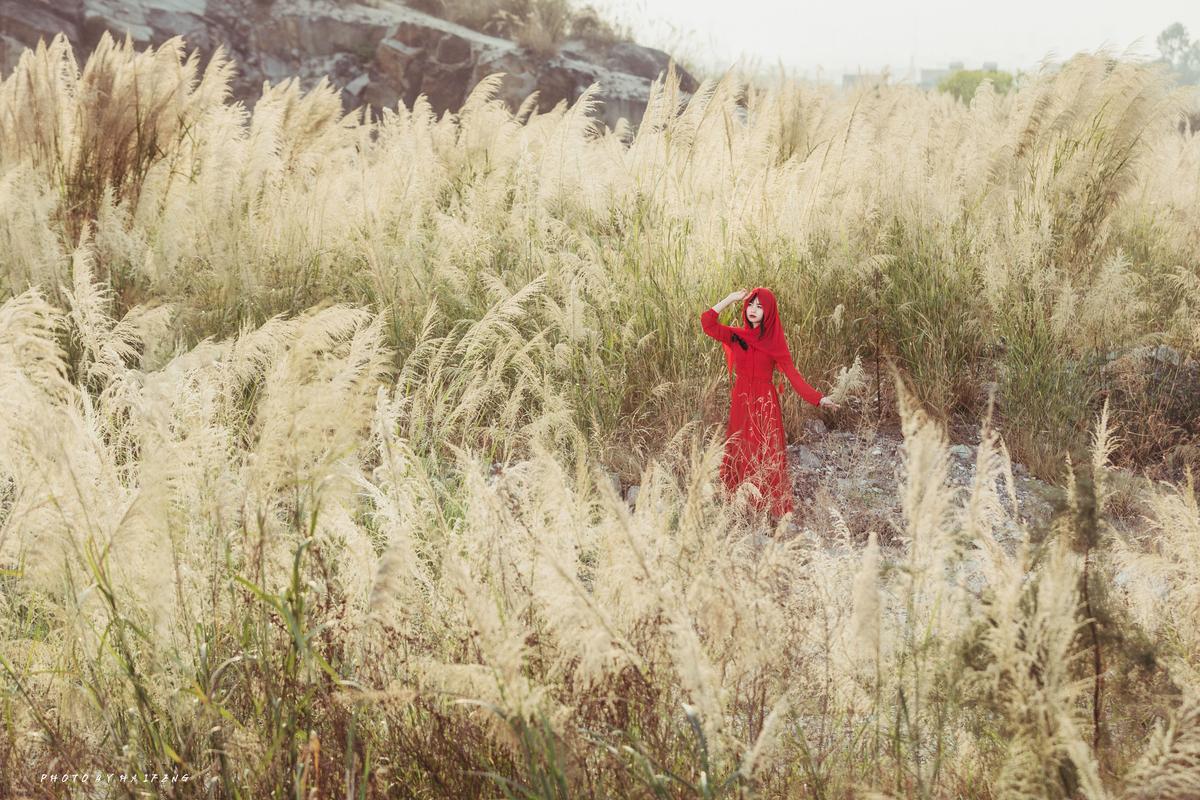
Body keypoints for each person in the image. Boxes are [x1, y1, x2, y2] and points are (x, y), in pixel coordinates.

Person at [700, 287, 839, 522]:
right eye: (751, 305)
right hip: (741, 400)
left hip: (764, 401)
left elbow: (794, 377)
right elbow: (707, 322)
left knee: (764, 450)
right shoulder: (737, 336)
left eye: (760, 307)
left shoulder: (776, 345)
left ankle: (765, 507)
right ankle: (738, 503)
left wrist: (819, 398)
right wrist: (731, 299)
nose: (753, 310)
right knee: (740, 446)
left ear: (769, 313)